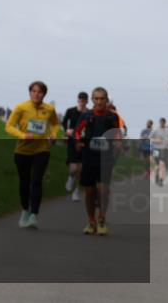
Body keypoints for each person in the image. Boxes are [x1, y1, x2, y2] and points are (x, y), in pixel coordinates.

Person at [4, 81, 61, 229]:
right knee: (24, 182)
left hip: (42, 150)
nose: (36, 94)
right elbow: (9, 126)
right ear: (30, 92)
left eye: (40, 92)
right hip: (22, 151)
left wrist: (54, 134)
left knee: (36, 180)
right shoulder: (21, 107)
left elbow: (55, 124)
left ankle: (34, 215)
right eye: (34, 91)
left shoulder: (49, 109)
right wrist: (22, 135)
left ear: (44, 94)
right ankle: (25, 210)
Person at [74, 87, 123, 235]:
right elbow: (77, 132)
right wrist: (78, 142)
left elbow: (117, 133)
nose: (99, 101)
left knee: (103, 190)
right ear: (92, 100)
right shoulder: (86, 115)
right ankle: (91, 221)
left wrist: (118, 142)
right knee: (89, 192)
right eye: (96, 98)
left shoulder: (112, 117)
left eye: (102, 99)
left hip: (105, 157)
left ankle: (101, 219)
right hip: (89, 156)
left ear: (106, 100)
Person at [61, 92, 90, 202]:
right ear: (77, 100)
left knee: (82, 170)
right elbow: (64, 123)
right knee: (73, 168)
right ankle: (71, 177)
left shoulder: (89, 113)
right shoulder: (70, 111)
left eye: (84, 100)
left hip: (85, 143)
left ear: (87, 101)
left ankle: (77, 191)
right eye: (80, 99)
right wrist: (66, 130)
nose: (82, 101)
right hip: (73, 142)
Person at [152, 117, 168, 187]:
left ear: (165, 123)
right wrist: (156, 140)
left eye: (163, 122)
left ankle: (161, 180)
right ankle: (157, 175)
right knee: (157, 165)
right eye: (161, 122)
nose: (162, 124)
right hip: (156, 150)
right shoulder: (155, 130)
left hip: (164, 149)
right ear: (159, 123)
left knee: (162, 164)